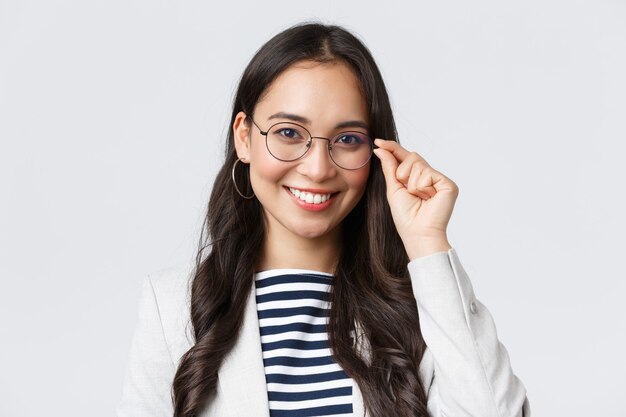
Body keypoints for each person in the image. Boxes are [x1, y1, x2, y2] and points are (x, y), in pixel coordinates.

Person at [117, 22, 530, 417]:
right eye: (289, 133)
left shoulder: (422, 304)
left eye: (348, 140)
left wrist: (427, 242)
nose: (317, 169)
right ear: (245, 137)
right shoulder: (173, 306)